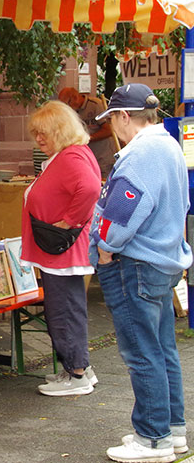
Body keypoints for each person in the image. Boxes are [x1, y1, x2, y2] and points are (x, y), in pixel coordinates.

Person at [89, 84, 191, 463]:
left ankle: (153, 439)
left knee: (142, 353)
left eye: (113, 117)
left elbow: (118, 220)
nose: (113, 125)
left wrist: (103, 249)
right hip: (163, 262)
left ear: (124, 116)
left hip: (136, 265)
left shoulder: (138, 155)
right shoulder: (168, 146)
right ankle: (172, 432)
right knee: (163, 350)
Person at [21, 101, 102, 397]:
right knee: (68, 307)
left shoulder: (70, 157)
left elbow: (91, 189)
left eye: (44, 133)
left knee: (63, 310)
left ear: (61, 130)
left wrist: (69, 221)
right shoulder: (71, 154)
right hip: (60, 248)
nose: (39, 139)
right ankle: (78, 366)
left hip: (61, 249)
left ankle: (76, 373)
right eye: (36, 134)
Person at [58, 87, 119, 179]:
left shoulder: (95, 105)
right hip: (86, 158)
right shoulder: (71, 111)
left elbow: (109, 130)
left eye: (67, 104)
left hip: (103, 157)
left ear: (75, 97)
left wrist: (87, 139)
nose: (67, 108)